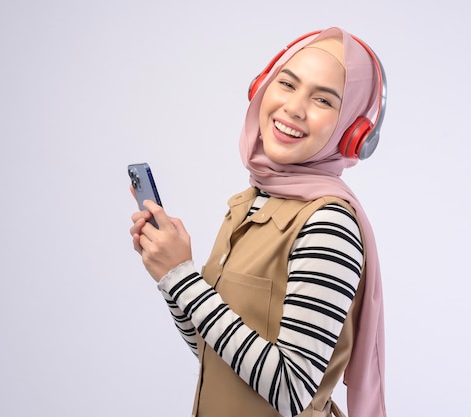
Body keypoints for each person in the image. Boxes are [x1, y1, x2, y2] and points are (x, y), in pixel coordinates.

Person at [129, 26, 387, 417]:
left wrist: (183, 277)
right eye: (287, 83)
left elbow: (290, 389)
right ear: (262, 88)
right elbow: (215, 353)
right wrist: (170, 279)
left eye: (322, 99)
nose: (295, 108)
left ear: (352, 131)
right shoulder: (249, 205)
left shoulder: (329, 225)